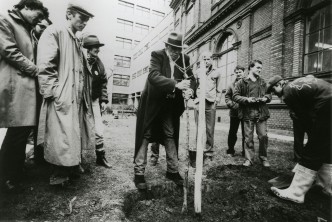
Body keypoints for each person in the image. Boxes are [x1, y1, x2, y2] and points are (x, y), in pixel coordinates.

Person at [37, 2, 95, 185]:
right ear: (69, 14)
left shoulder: (76, 38)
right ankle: (58, 173)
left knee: (72, 133)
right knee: (59, 134)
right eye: (81, 18)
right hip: (61, 94)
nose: (84, 23)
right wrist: (53, 91)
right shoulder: (55, 31)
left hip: (75, 96)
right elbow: (45, 64)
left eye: (86, 20)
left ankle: (71, 166)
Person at [134, 32, 196, 189]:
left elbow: (192, 79)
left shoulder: (184, 59)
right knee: (146, 134)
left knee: (170, 134)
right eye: (173, 49)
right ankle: (139, 173)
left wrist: (190, 90)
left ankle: (173, 171)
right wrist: (176, 84)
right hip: (152, 102)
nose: (176, 53)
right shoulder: (157, 55)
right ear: (167, 47)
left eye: (179, 50)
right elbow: (153, 76)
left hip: (170, 104)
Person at [0, 0, 48, 190]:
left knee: (21, 131)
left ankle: (15, 171)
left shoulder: (26, 27)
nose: (38, 20)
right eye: (37, 16)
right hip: (16, 85)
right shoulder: (5, 20)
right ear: (26, 7)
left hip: (25, 86)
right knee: (16, 133)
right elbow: (9, 50)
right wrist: (35, 70)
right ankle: (6, 176)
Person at [267, 75, 332, 203]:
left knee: (312, 150)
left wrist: (312, 139)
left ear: (279, 84)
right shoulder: (298, 82)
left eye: (273, 91)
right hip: (328, 101)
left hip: (327, 105)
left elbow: (304, 118)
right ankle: (326, 187)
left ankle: (296, 193)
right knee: (326, 149)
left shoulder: (288, 92)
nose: (275, 94)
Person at [233, 60, 271, 167]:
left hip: (261, 113)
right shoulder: (241, 82)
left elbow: (269, 95)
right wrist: (247, 99)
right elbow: (235, 96)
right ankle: (249, 159)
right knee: (248, 137)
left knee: (263, 136)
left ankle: (264, 158)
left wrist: (265, 98)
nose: (260, 70)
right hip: (247, 113)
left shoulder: (263, 82)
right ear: (250, 68)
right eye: (258, 67)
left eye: (260, 68)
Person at [83, 34, 111, 168]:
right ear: (88, 48)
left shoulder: (100, 64)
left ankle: (100, 156)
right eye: (95, 48)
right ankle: (77, 161)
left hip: (94, 100)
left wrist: (104, 100)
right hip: (80, 100)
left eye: (98, 48)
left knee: (99, 129)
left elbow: (103, 83)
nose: (98, 50)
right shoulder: (79, 60)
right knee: (78, 129)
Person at [189, 51, 222, 166]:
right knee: (199, 127)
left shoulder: (217, 71)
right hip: (199, 102)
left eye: (208, 59)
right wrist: (193, 100)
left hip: (210, 103)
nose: (206, 61)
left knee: (210, 128)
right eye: (204, 59)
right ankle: (199, 150)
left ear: (212, 59)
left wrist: (217, 101)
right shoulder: (198, 72)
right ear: (201, 61)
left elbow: (219, 88)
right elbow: (194, 85)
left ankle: (209, 152)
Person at [225, 65, 245, 157]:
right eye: (236, 72)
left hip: (246, 112)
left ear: (244, 72)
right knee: (233, 132)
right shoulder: (231, 85)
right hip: (234, 112)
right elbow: (227, 96)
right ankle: (231, 150)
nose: (238, 74)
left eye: (240, 72)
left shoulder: (247, 83)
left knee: (246, 133)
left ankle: (245, 151)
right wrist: (232, 105)